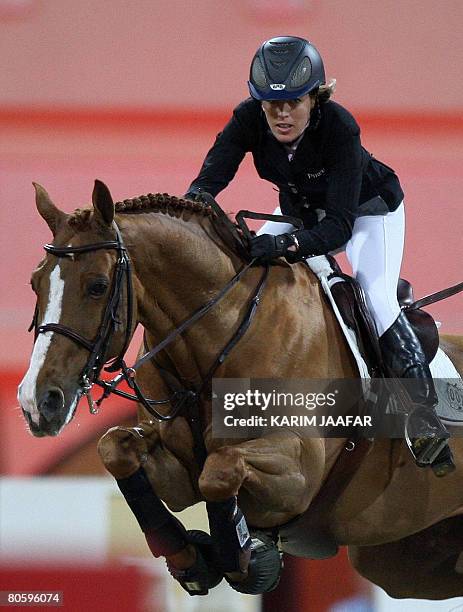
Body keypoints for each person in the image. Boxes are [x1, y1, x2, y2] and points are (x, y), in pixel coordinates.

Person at [184, 35, 454, 475]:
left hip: (369, 211)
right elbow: (208, 181)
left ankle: (424, 418)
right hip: (302, 211)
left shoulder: (340, 127)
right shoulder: (246, 119)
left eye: (293, 102)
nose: (282, 114)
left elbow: (339, 227)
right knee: (245, 271)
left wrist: (287, 245)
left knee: (375, 296)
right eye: (272, 105)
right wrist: (184, 213)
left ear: (315, 97)